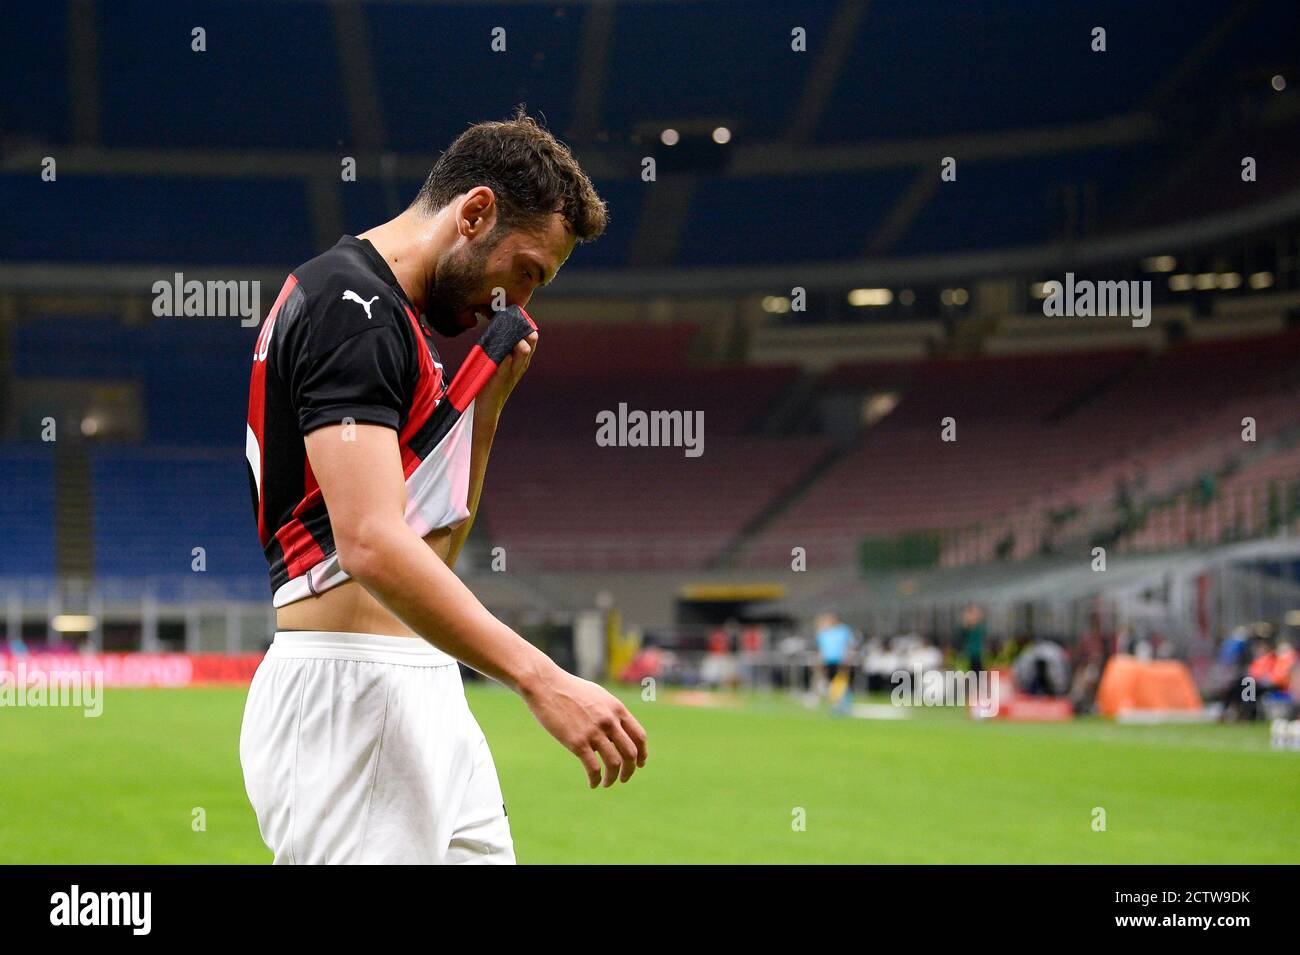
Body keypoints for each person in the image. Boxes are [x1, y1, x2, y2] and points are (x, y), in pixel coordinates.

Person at [239, 110, 647, 865]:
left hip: (418, 683)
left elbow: (433, 547)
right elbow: (368, 543)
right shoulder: (347, 305)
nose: (520, 300)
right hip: (349, 692)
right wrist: (541, 677)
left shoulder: (397, 326)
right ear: (476, 212)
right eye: (526, 270)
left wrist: (484, 410)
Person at [813, 612, 855, 715]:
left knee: (842, 682)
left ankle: (845, 705)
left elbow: (848, 645)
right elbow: (820, 649)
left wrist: (847, 658)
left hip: (840, 661)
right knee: (830, 684)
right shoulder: (822, 632)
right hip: (828, 661)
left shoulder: (843, 630)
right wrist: (818, 660)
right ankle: (836, 705)